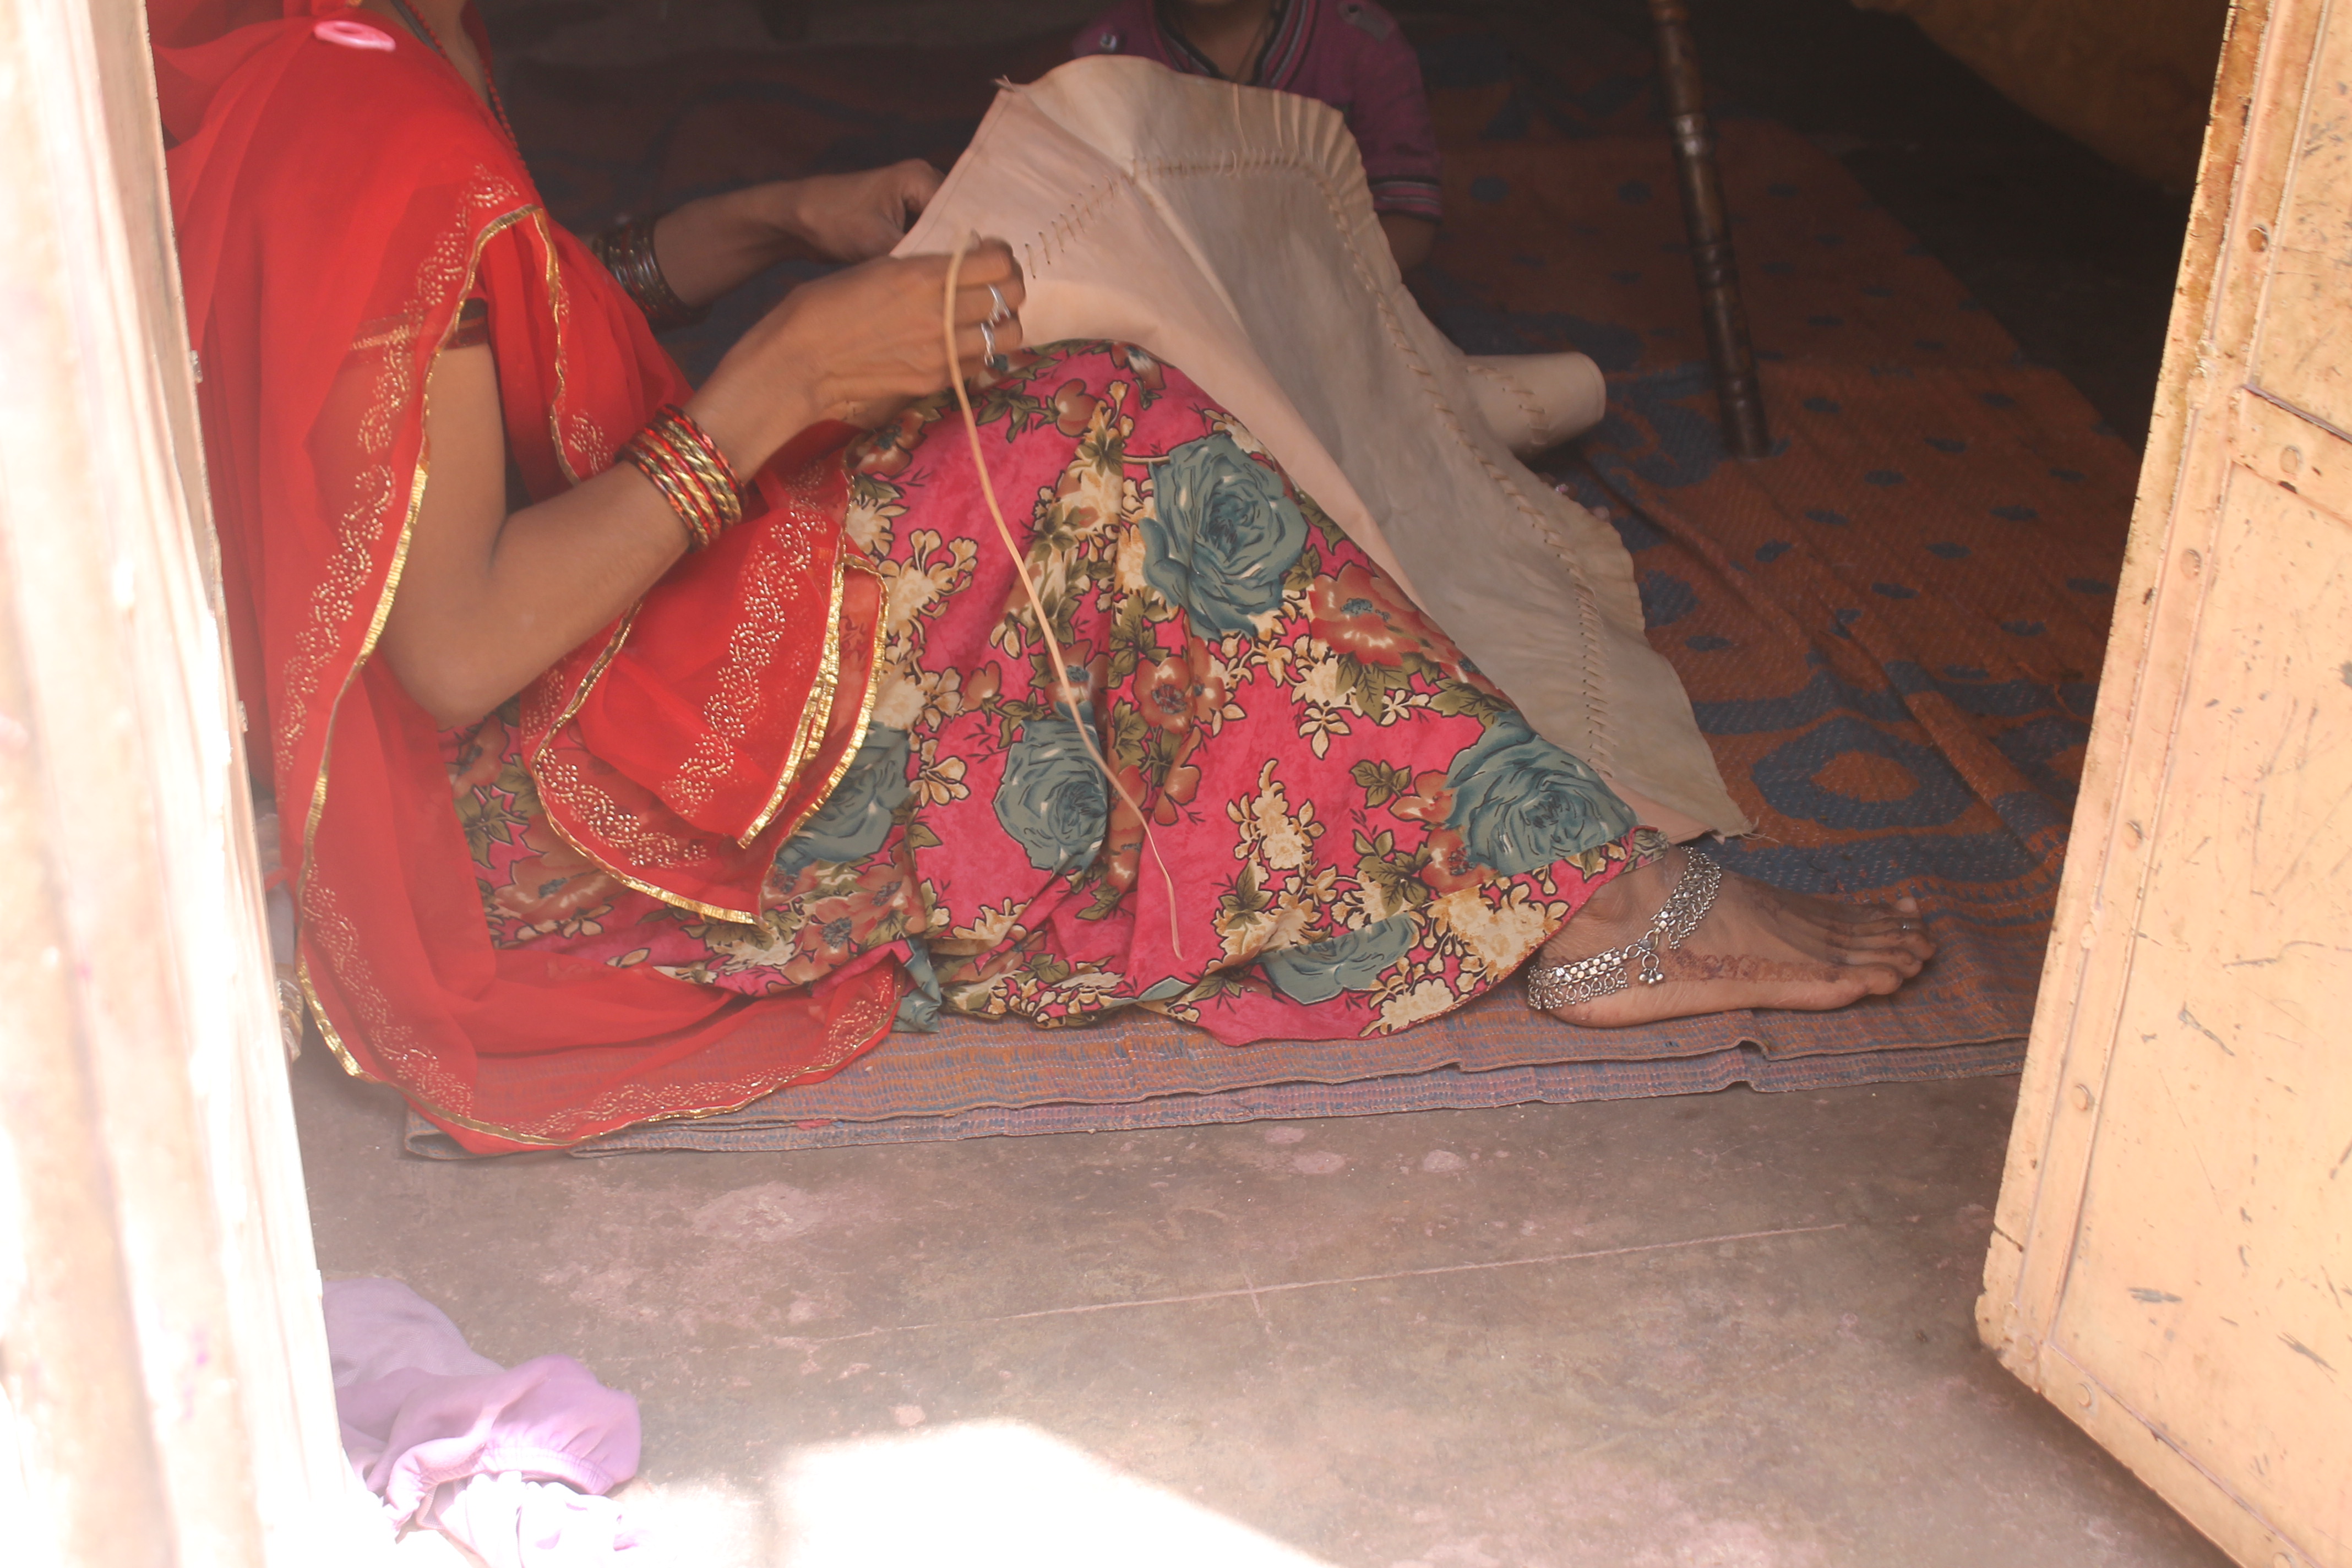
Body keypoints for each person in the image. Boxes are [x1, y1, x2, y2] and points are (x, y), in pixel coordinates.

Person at [154, 0, 1933, 1155]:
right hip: (532, 829)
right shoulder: (365, 105)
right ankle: (1595, 898)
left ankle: (1488, 846)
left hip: (500, 737)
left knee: (1057, 428)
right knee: (1097, 433)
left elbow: (461, 366)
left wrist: (771, 219)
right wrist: (781, 374)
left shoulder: (279, 48)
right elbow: (451, 646)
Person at [1072, 0, 1443, 270]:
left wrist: (1310, 291)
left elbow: (1408, 217)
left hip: (1338, 308)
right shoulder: (1105, 60)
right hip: (1178, 316)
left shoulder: (1359, 42)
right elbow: (1090, 232)